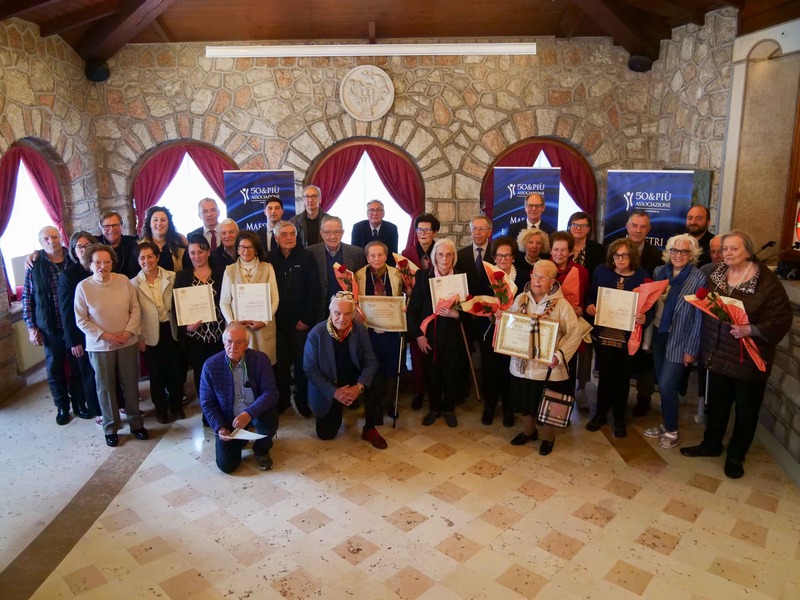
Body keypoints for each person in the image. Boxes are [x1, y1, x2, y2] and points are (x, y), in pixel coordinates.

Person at [681, 230, 792, 479]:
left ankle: (735, 456)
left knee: (745, 410)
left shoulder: (766, 281)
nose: (727, 253)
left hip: (747, 358)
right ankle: (711, 444)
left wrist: (751, 329)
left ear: (748, 251)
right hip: (718, 352)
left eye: (734, 248)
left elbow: (782, 318)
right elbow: (710, 302)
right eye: (724, 249)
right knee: (718, 404)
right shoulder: (718, 273)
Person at [75, 244, 148, 447]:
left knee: (131, 384)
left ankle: (136, 424)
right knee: (105, 388)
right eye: (97, 262)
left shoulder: (123, 280)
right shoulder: (83, 287)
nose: (102, 266)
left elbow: (135, 309)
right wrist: (105, 336)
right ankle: (110, 427)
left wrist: (127, 332)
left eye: (107, 262)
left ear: (112, 263)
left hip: (127, 341)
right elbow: (81, 320)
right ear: (90, 264)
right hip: (100, 347)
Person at [508, 260, 582, 455]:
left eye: (543, 277)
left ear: (552, 281)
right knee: (526, 400)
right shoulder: (521, 299)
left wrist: (559, 354)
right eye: (534, 275)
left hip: (548, 367)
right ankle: (528, 431)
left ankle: (549, 437)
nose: (537, 280)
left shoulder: (562, 305)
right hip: (523, 364)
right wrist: (503, 321)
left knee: (548, 404)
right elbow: (512, 322)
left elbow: (574, 333)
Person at [643, 234, 706, 449]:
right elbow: (652, 303)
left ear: (692, 255)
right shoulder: (660, 272)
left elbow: (699, 318)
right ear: (668, 252)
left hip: (680, 339)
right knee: (662, 385)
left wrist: (691, 350)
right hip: (660, 334)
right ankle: (666, 423)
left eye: (684, 251)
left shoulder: (698, 278)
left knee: (669, 385)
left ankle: (672, 429)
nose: (679, 255)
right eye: (675, 251)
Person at [584, 239, 651, 438]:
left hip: (627, 337)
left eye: (624, 255)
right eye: (616, 255)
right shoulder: (601, 271)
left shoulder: (642, 276)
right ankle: (600, 414)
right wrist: (590, 306)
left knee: (623, 378)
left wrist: (644, 317)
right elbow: (590, 296)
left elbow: (649, 307)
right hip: (603, 333)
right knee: (604, 375)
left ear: (632, 257)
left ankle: (620, 418)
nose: (620, 259)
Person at [23, 226, 87, 425]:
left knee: (78, 367)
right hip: (50, 328)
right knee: (55, 369)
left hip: (75, 325)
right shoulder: (35, 265)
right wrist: (31, 327)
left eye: (54, 236)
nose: (51, 241)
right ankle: (62, 407)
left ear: (61, 237)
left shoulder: (73, 259)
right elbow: (27, 298)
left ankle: (79, 403)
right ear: (41, 243)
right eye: (46, 239)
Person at [304, 292, 383, 448]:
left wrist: (358, 387)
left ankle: (369, 428)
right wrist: (335, 393)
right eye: (337, 313)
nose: (342, 318)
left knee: (377, 381)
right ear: (330, 312)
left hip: (353, 379)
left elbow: (371, 362)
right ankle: (339, 404)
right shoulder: (316, 334)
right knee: (326, 434)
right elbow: (310, 370)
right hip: (330, 385)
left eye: (347, 314)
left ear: (353, 314)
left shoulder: (359, 330)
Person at [200, 323, 279, 473]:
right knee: (226, 466)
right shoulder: (210, 366)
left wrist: (248, 414)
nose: (233, 347)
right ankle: (238, 441)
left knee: (269, 422)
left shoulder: (260, 360)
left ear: (247, 344)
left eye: (239, 342)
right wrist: (220, 427)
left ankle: (261, 450)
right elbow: (207, 403)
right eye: (229, 342)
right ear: (223, 343)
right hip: (228, 418)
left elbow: (271, 393)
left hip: (254, 412)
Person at [407, 238, 469, 427]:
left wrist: (455, 313)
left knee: (450, 373)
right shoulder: (423, 277)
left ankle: (449, 409)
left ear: (454, 257)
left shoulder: (461, 278)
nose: (444, 258)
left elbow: (471, 313)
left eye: (449, 254)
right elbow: (412, 312)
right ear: (434, 257)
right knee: (432, 375)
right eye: (440, 254)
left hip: (452, 337)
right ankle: (434, 408)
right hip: (429, 337)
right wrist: (418, 336)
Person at [269, 220, 319, 418]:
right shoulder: (269, 259)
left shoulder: (307, 257)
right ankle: (282, 400)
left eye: (292, 234)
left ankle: (301, 399)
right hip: (277, 324)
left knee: (301, 365)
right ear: (276, 238)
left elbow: (314, 290)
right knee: (280, 366)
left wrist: (306, 319)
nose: (289, 238)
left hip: (301, 324)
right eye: (284, 235)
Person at [132, 242, 184, 423]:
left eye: (150, 256)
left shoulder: (172, 277)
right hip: (149, 334)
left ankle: (177, 406)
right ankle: (161, 409)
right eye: (142, 258)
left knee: (176, 371)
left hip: (171, 329)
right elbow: (134, 314)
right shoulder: (134, 284)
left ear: (157, 257)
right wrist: (139, 337)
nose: (147, 261)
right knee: (156, 375)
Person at [355, 240, 404, 422]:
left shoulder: (397, 274)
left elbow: (404, 296)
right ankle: (373, 404)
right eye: (372, 255)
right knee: (372, 365)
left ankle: (389, 403)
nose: (377, 258)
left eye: (380, 255)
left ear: (386, 255)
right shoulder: (358, 276)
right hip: (369, 330)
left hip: (392, 330)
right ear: (367, 257)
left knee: (391, 366)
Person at [174, 235, 226, 402]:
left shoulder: (222, 273)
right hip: (197, 337)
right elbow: (177, 307)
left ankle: (224, 407)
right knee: (201, 375)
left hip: (220, 333)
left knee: (222, 373)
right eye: (192, 253)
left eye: (200, 252)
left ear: (208, 252)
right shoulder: (182, 277)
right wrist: (186, 327)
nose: (197, 256)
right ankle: (207, 410)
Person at [57, 231, 101, 424]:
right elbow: (67, 312)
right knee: (87, 373)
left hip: (103, 330)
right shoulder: (69, 275)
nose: (84, 250)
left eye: (87, 245)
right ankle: (95, 409)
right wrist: (73, 341)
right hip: (81, 334)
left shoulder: (100, 267)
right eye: (79, 247)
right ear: (74, 251)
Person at [623, 209, 663, 417]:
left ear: (649, 229)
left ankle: (643, 397)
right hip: (619, 314)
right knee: (620, 356)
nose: (638, 230)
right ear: (627, 227)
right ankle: (617, 396)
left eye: (642, 226)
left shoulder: (657, 256)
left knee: (644, 358)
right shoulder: (614, 249)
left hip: (644, 315)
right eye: (634, 225)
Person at [480, 236, 524, 427]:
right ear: (494, 257)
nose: (503, 259)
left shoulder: (523, 276)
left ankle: (508, 408)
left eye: (507, 255)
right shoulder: (486, 275)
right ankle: (489, 406)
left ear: (513, 257)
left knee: (509, 371)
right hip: (491, 329)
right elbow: (478, 300)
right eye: (499, 256)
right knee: (491, 370)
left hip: (514, 332)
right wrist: (490, 313)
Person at [219, 231, 280, 364]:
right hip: (238, 330)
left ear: (256, 249)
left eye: (250, 247)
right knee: (239, 368)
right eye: (242, 247)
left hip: (263, 328)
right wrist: (233, 323)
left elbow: (274, 299)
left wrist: (264, 321)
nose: (246, 251)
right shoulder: (229, 270)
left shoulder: (267, 268)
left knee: (262, 369)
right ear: (238, 249)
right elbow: (224, 302)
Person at [402, 213, 440, 411]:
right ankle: (419, 389)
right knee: (416, 349)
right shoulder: (406, 253)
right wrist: (407, 289)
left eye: (427, 229)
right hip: (416, 306)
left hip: (437, 306)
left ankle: (436, 388)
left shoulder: (442, 251)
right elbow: (401, 279)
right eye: (420, 229)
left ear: (435, 232)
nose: (423, 233)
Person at [307, 215, 366, 321]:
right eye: (327, 232)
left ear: (342, 232)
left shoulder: (357, 253)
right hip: (319, 313)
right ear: (321, 233)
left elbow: (361, 284)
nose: (332, 236)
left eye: (337, 232)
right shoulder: (310, 253)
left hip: (348, 314)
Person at [138, 205, 187, 273]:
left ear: (169, 224)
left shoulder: (179, 244)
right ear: (149, 224)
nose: (159, 223)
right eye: (155, 220)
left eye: (163, 220)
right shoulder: (139, 246)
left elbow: (186, 270)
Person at [350, 200, 399, 264]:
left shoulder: (392, 228)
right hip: (362, 266)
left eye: (379, 210)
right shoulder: (358, 227)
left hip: (384, 266)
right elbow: (355, 252)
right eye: (371, 210)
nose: (375, 213)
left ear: (383, 213)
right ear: (367, 213)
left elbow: (393, 254)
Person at [98, 211, 140, 277]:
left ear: (121, 226)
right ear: (101, 228)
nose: (111, 229)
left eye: (115, 225)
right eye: (106, 226)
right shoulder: (96, 244)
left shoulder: (132, 242)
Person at [567, 211, 605, 279]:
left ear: (588, 229)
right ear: (569, 227)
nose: (578, 228)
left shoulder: (598, 249)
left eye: (583, 226)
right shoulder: (562, 246)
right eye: (575, 225)